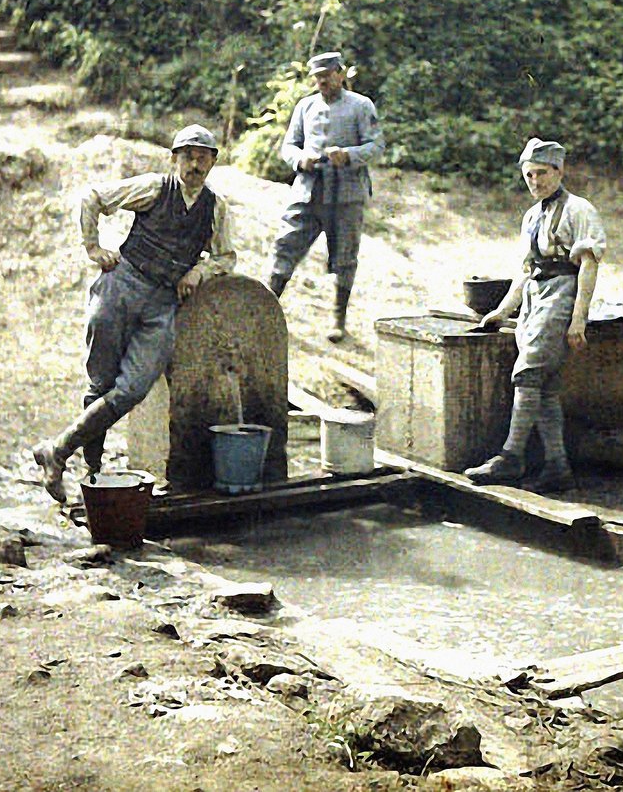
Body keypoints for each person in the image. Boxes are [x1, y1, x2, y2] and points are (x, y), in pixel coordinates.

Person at [32, 125, 235, 502]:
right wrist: (93, 248)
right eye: (187, 156)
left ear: (212, 162)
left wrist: (199, 270)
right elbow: (93, 197)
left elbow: (226, 257)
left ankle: (56, 451)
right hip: (121, 286)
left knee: (132, 389)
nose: (194, 164)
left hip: (162, 304)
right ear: (174, 158)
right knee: (100, 384)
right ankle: (91, 476)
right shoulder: (156, 187)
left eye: (202, 157)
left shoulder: (216, 208)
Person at [463, 138, 606, 492]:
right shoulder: (531, 216)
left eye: (542, 173)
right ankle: (558, 466)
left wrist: (578, 319)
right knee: (544, 387)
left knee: (527, 374)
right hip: (534, 298)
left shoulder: (579, 209)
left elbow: (588, 266)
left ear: (559, 171)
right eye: (529, 175)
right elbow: (525, 270)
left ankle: (511, 456)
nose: (535, 181)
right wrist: (501, 311)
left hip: (562, 295)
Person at [268, 51, 384, 343]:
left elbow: (376, 145)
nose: (322, 82)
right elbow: (288, 146)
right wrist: (300, 159)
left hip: (346, 193)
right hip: (309, 191)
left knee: (345, 257)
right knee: (285, 246)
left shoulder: (360, 106)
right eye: (317, 77)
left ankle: (338, 320)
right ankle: (265, 310)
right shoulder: (305, 107)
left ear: (340, 74)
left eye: (328, 75)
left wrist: (349, 155)